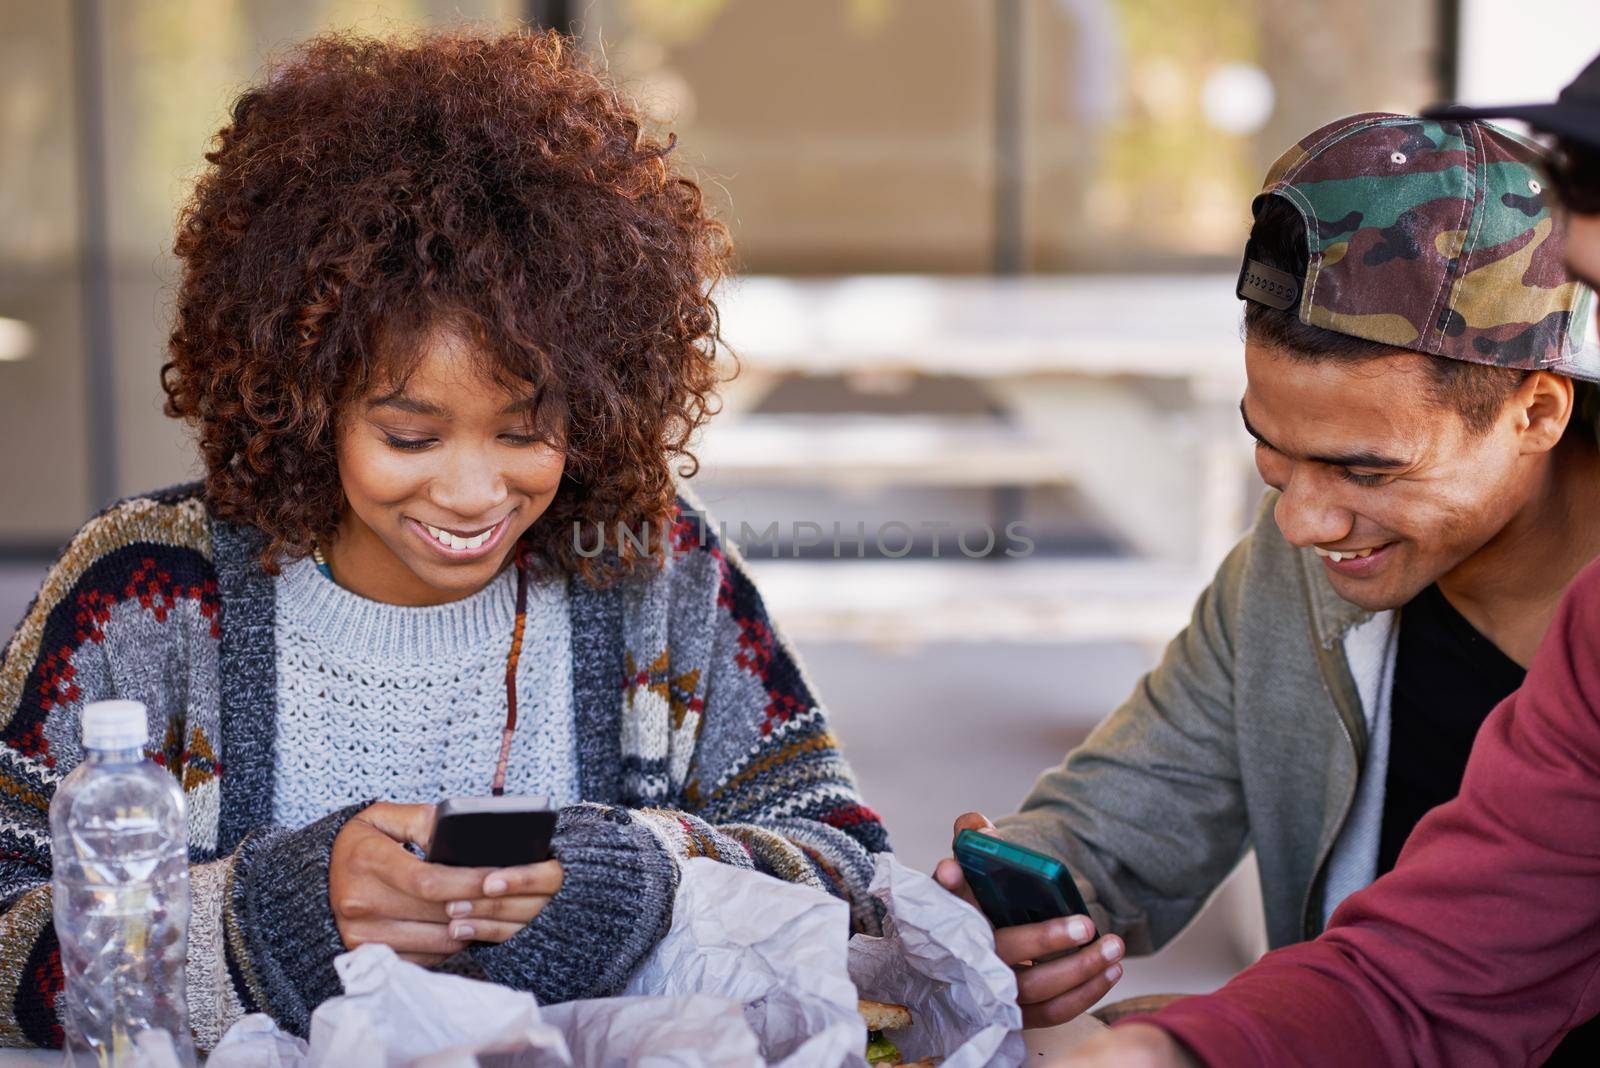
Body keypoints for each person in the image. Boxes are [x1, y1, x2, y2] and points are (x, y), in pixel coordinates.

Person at [0, 30, 888, 1050]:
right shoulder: (146, 596)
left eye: (526, 431)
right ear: (302, 396)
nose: (473, 494)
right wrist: (267, 924)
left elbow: (851, 881)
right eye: (409, 435)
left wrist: (632, 875)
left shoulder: (654, 571)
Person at [934, 110, 1600, 1038]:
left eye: (1366, 470)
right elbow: (1136, 809)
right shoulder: (1299, 565)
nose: (1301, 521)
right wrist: (1002, 902)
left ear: (1536, 412)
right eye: (1272, 449)